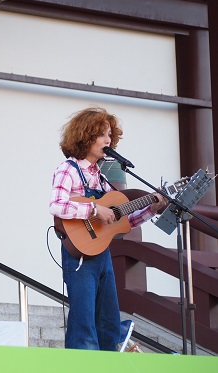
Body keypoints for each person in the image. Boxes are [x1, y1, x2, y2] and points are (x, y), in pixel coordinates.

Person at [49, 107, 166, 351]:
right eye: (102, 134)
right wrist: (94, 209)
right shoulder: (67, 169)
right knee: (84, 323)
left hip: (102, 254)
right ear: (86, 136)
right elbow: (57, 206)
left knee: (109, 322)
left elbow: (122, 221)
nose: (108, 140)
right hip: (79, 256)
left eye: (110, 135)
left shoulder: (102, 179)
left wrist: (152, 207)